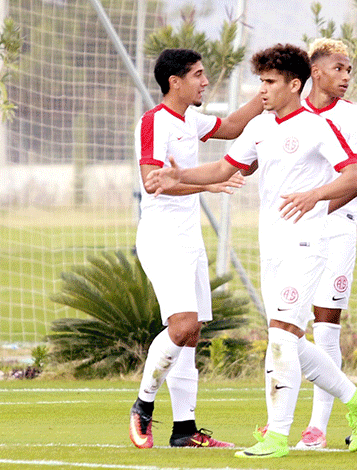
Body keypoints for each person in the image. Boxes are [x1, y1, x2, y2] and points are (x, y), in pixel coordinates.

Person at [144, 43, 357, 459]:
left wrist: (315, 195)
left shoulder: (316, 127)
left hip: (308, 244)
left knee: (282, 340)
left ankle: (277, 437)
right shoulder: (260, 128)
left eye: (269, 82)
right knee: (289, 339)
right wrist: (178, 175)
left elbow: (355, 177)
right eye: (261, 82)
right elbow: (221, 169)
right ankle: (356, 400)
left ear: (294, 85)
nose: (263, 91)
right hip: (271, 248)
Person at [128, 48, 264, 450]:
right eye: (199, 75)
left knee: (193, 333)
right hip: (161, 235)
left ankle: (184, 430)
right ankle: (143, 405)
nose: (206, 82)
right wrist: (209, 184)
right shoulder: (154, 121)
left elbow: (236, 125)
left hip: (189, 238)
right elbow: (156, 182)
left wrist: (271, 86)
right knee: (182, 325)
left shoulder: (192, 119)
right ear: (175, 82)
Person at [297, 38, 357, 449]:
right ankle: (279, 419)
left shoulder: (355, 116)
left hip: (337, 227)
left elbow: (356, 181)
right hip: (294, 231)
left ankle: (318, 426)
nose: (346, 77)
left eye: (349, 69)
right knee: (288, 327)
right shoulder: (293, 112)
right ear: (316, 71)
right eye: (339, 69)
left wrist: (315, 209)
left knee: (326, 329)